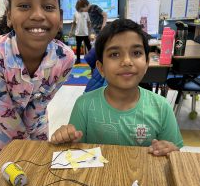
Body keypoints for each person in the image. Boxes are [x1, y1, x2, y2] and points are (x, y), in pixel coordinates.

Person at [51, 19, 183, 156]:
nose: (127, 61)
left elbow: (174, 153)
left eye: (136, 53)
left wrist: (170, 149)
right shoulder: (84, 105)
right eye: (114, 54)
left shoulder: (161, 107)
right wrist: (65, 137)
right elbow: (74, 149)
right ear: (101, 68)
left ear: (146, 63)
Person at [0, 0, 75, 151]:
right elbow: (5, 115)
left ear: (60, 17)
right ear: (10, 16)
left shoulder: (65, 58)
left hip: (35, 112)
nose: (38, 15)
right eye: (24, 6)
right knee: (15, 157)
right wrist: (26, 148)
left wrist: (35, 144)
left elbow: (40, 103)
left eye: (48, 7)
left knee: (41, 152)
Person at [69, 0, 92, 64]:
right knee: (78, 47)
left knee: (89, 47)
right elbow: (73, 23)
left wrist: (90, 33)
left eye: (81, 8)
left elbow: (89, 23)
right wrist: (71, 31)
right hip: (78, 34)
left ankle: (91, 58)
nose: (80, 10)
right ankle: (78, 59)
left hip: (85, 34)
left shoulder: (86, 13)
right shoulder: (75, 14)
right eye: (78, 8)